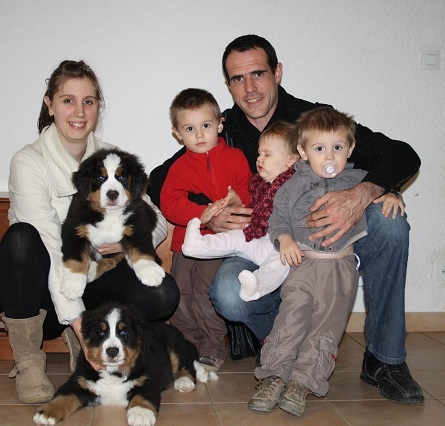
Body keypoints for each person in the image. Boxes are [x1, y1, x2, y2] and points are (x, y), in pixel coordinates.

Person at [148, 34, 423, 403]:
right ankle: (282, 345)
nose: (250, 88)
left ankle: (385, 360)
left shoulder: (313, 118)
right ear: (228, 85)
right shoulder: (221, 130)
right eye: (238, 78)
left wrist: (365, 192)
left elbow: (401, 154)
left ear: (277, 72)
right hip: (263, 243)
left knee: (390, 225)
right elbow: (160, 180)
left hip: (324, 241)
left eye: (258, 74)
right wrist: (211, 212)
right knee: (229, 293)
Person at [0, 60, 179, 404]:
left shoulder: (113, 159)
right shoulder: (28, 162)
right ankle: (28, 359)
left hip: (93, 281)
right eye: (68, 100)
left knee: (163, 293)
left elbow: (155, 218)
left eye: (89, 101)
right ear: (50, 104)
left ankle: (94, 333)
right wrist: (78, 324)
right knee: (21, 239)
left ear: (98, 107)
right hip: (42, 293)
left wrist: (127, 242)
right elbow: (54, 248)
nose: (79, 111)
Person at [248, 107, 404, 416]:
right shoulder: (292, 185)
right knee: (290, 320)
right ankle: (273, 376)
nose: (329, 156)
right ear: (303, 152)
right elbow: (277, 219)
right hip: (302, 267)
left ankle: (303, 382)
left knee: (325, 328)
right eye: (319, 149)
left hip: (340, 270)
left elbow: (380, 188)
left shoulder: (359, 181)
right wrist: (285, 239)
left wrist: (390, 193)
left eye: (337, 148)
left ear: (350, 149)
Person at [160, 88, 252, 371]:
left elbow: (249, 192)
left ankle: (212, 347)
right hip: (185, 245)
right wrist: (200, 214)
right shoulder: (179, 167)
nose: (199, 135)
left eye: (206, 126)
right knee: (180, 294)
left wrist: (238, 198)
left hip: (218, 244)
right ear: (177, 133)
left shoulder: (236, 158)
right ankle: (185, 345)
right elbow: (169, 204)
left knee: (204, 294)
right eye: (190, 128)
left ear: (220, 124)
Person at [181, 121, 299, 301]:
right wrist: (238, 200)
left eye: (267, 154)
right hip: (259, 239)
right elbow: (250, 205)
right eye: (259, 153)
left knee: (281, 261)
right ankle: (198, 246)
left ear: (290, 160)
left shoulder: (296, 184)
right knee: (235, 237)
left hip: (283, 243)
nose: (259, 159)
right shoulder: (258, 183)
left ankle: (257, 286)